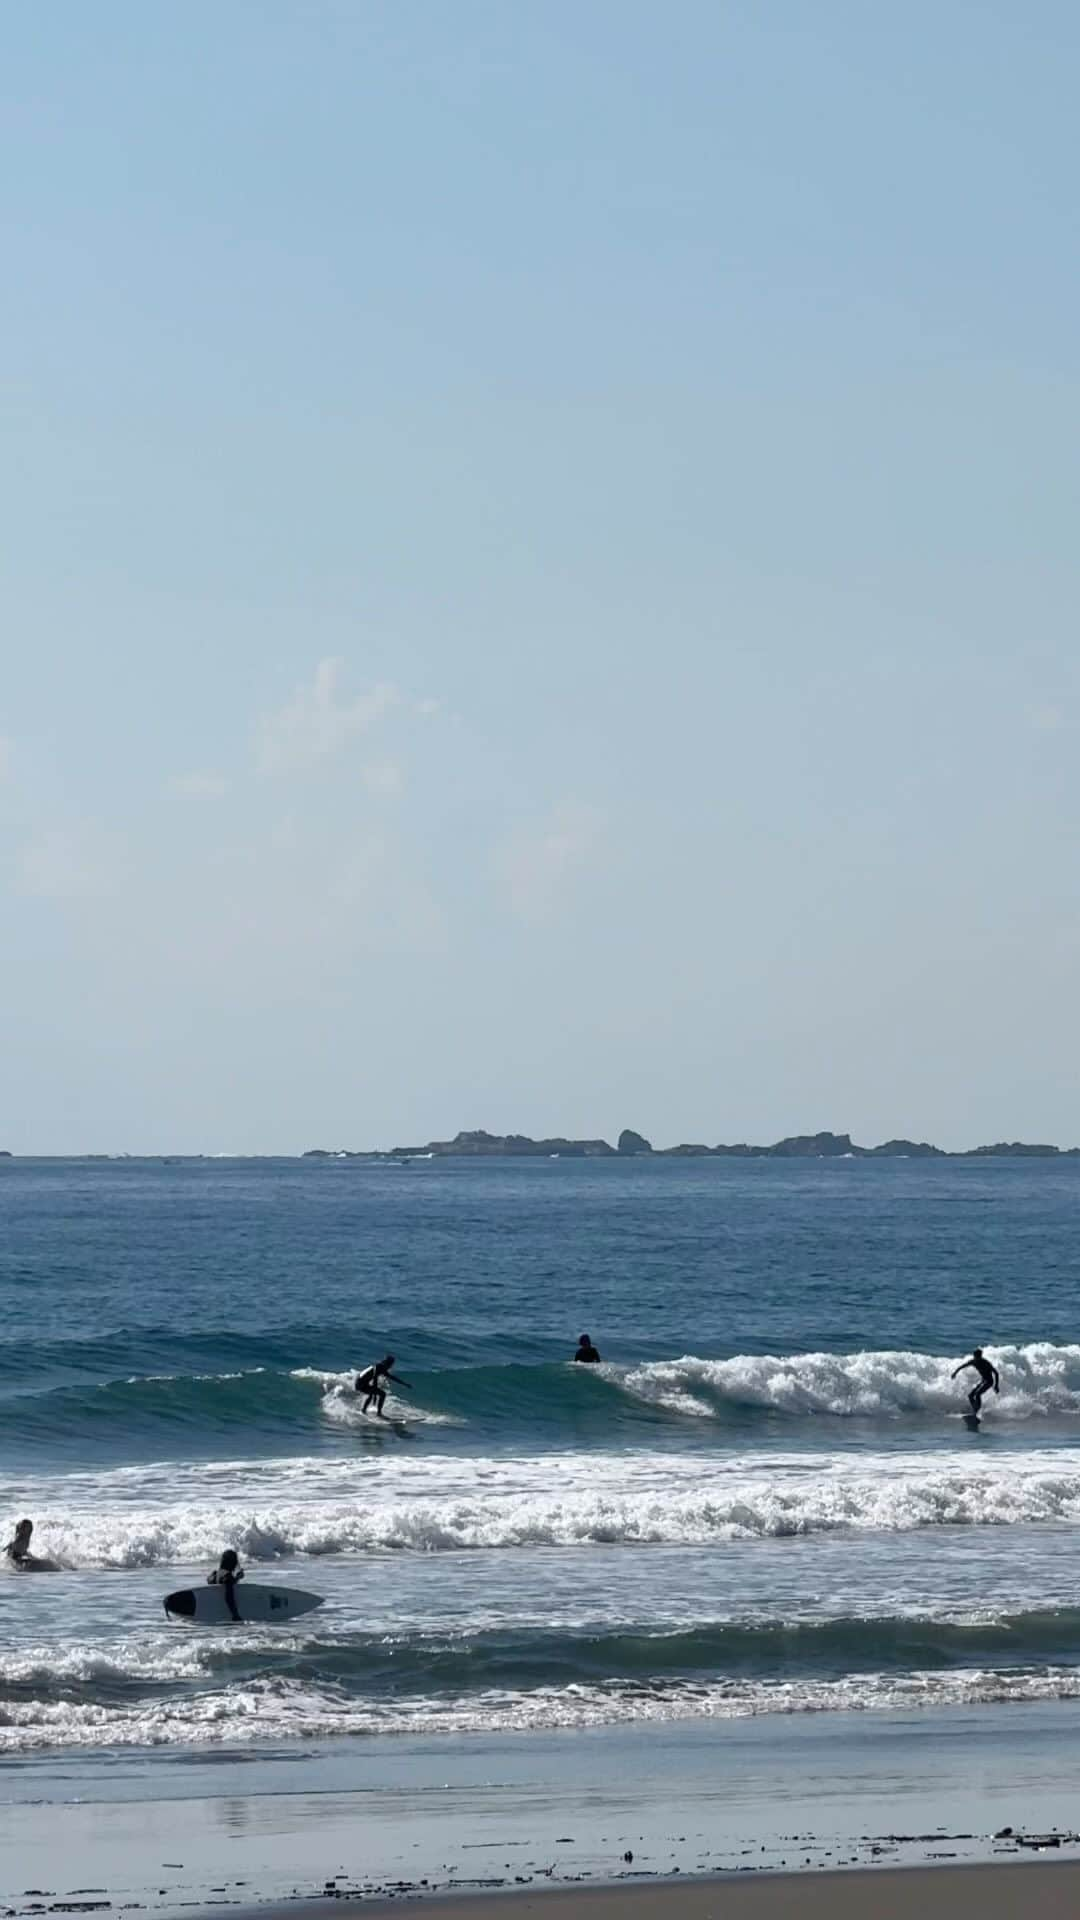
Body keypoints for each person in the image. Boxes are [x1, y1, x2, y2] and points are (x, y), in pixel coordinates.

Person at [951, 1348, 1000, 1416]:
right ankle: (975, 1408)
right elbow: (962, 1366)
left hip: (989, 1381)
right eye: (976, 1356)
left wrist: (996, 1385)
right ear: (974, 1356)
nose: (977, 1358)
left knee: (977, 1394)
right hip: (983, 1380)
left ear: (981, 1356)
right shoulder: (973, 1361)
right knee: (970, 1396)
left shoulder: (986, 1362)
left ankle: (977, 1411)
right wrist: (955, 1373)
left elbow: (996, 1373)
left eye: (978, 1357)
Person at [208, 1547, 244, 1621]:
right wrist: (235, 1615)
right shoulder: (227, 1576)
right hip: (229, 1614)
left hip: (216, 1614)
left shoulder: (215, 1574)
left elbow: (210, 1581)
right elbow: (229, 1597)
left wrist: (236, 1578)